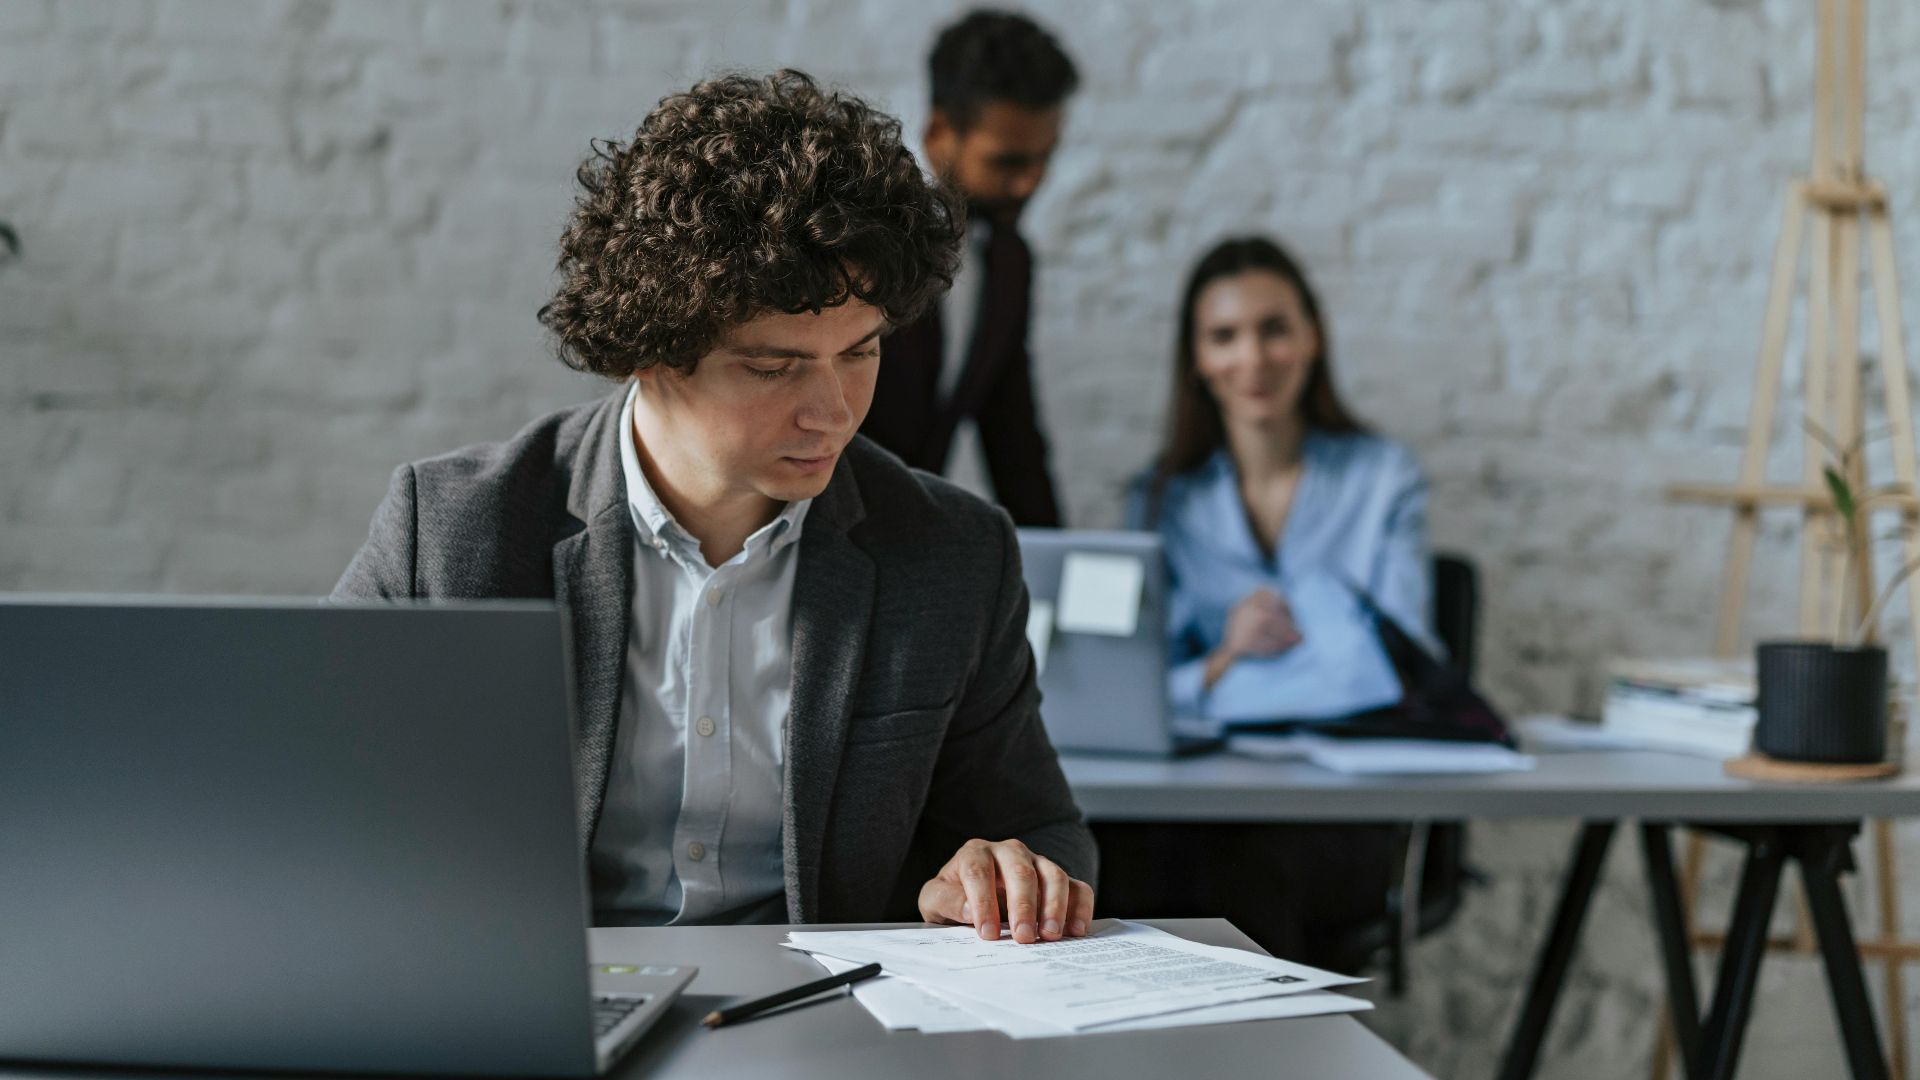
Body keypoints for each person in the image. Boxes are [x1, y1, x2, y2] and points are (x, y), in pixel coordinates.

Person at [333, 71, 1095, 944]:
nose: (834, 411)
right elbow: (304, 799)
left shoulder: (955, 554)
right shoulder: (452, 531)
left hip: (826, 1025)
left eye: (859, 353)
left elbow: (1044, 833)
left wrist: (995, 875)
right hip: (546, 1009)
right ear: (648, 350)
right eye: (773, 369)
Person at [1095, 236, 1435, 968]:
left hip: (1341, 811)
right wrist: (1226, 655)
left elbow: (1401, 661)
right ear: (1197, 359)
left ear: (1312, 337)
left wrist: (1215, 677)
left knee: (1247, 868)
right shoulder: (1162, 499)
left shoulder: (1383, 477)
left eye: (1274, 328)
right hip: (1194, 805)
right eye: (1225, 336)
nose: (1253, 358)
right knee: (1108, 858)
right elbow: (1139, 690)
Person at [859, 9, 1078, 527]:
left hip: (910, 552)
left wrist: (1057, 572)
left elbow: (1014, 442)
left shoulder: (1009, 260)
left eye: (1043, 159)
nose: (1030, 184)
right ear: (939, 132)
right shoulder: (859, 240)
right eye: (1008, 162)